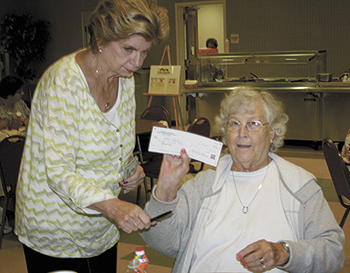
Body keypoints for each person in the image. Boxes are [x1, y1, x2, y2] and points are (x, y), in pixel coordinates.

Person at [15, 0, 169, 272]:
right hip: (54, 231)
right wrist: (113, 207)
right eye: (128, 49)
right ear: (100, 40)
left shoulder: (125, 78)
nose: (136, 61)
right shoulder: (63, 82)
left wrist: (132, 170)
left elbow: (119, 147)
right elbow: (58, 172)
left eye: (144, 52)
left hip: (101, 229)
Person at [140, 88, 345, 273]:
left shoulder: (299, 185)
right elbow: (164, 243)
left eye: (253, 124)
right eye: (234, 123)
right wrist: (166, 190)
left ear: (272, 133)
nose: (241, 133)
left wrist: (284, 253)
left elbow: (333, 253)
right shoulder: (202, 185)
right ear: (225, 133)